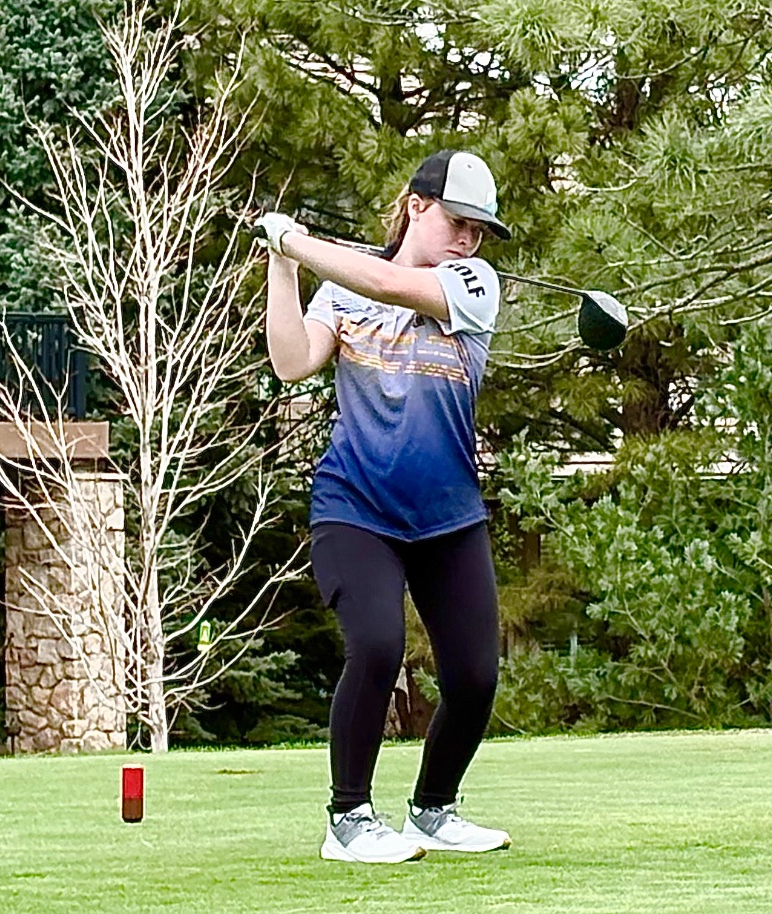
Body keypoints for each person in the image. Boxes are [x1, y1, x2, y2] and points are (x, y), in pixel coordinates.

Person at [257, 150, 513, 864]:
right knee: (375, 646)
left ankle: (433, 809)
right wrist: (283, 267)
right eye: (458, 222)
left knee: (473, 674)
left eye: (480, 230)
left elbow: (385, 281)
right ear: (417, 206)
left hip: (447, 511)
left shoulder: (471, 284)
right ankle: (349, 821)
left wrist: (296, 241)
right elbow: (290, 362)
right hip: (355, 506)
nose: (468, 240)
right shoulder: (337, 295)